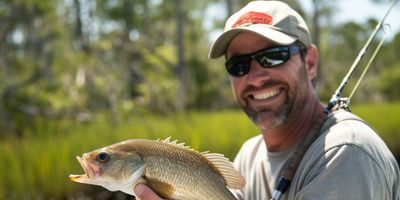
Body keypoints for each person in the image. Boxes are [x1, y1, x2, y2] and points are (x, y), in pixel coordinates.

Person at [134, 1, 400, 199]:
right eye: (238, 65)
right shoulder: (250, 155)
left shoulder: (345, 154)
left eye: (273, 56)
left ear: (309, 62)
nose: (256, 77)